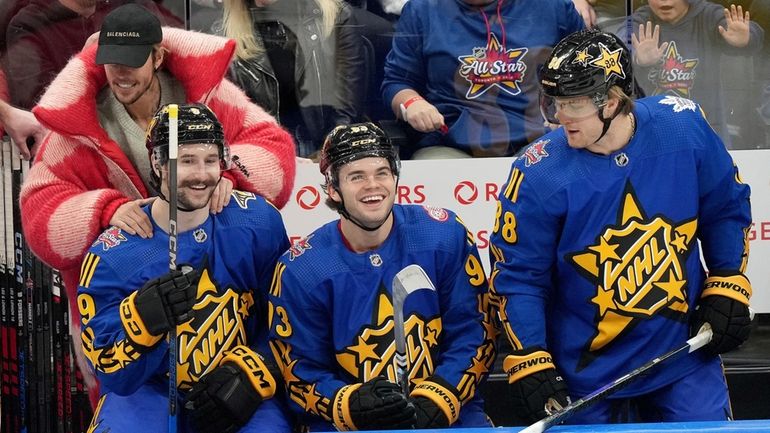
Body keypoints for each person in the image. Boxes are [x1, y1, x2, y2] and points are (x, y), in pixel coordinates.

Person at [20, 3, 296, 406]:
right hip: (121, 290)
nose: (120, 73)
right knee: (121, 400)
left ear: (158, 56)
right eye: (111, 61)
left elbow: (276, 152)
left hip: (218, 285)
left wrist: (228, 174)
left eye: (132, 61)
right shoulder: (77, 124)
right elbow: (38, 217)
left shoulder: (210, 95)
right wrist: (104, 209)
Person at [489, 29, 753, 425]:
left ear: (612, 102)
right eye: (555, 103)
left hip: (681, 354)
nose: (559, 116)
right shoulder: (537, 172)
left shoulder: (683, 128)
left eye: (572, 105)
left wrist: (727, 280)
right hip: (582, 371)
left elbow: (725, 209)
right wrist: (531, 357)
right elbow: (520, 277)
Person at [267, 122, 498, 430]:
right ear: (333, 189)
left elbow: (476, 331)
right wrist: (349, 403)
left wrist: (442, 395)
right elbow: (299, 371)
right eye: (356, 177)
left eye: (381, 173)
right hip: (351, 423)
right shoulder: (302, 269)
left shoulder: (443, 235)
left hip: (446, 412)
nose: (372, 186)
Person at [77, 103, 292, 433]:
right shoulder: (112, 256)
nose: (202, 174)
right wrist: (139, 322)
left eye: (210, 161)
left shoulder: (258, 223)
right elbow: (111, 372)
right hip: (149, 392)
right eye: (187, 161)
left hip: (239, 382)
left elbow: (287, 320)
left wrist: (252, 370)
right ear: (158, 163)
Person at [381, 0, 584, 159]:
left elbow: (589, 72)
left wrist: (571, 112)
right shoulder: (421, 10)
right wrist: (412, 103)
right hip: (450, 142)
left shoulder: (554, 7)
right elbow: (396, 81)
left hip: (538, 137)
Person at [220, 0, 366, 159]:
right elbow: (234, 121)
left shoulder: (337, 17)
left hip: (324, 145)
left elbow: (347, 107)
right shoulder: (224, 34)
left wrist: (328, 153)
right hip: (261, 151)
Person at [627, 0, 764, 148]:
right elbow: (619, 47)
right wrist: (637, 58)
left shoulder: (708, 15)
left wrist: (746, 39)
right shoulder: (640, 19)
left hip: (707, 129)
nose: (664, 1)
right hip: (654, 131)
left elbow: (748, 32)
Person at [4, 0, 181, 110]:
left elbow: (177, 61)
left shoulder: (135, 6)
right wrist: (82, 65)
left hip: (153, 123)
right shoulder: (28, 24)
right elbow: (39, 107)